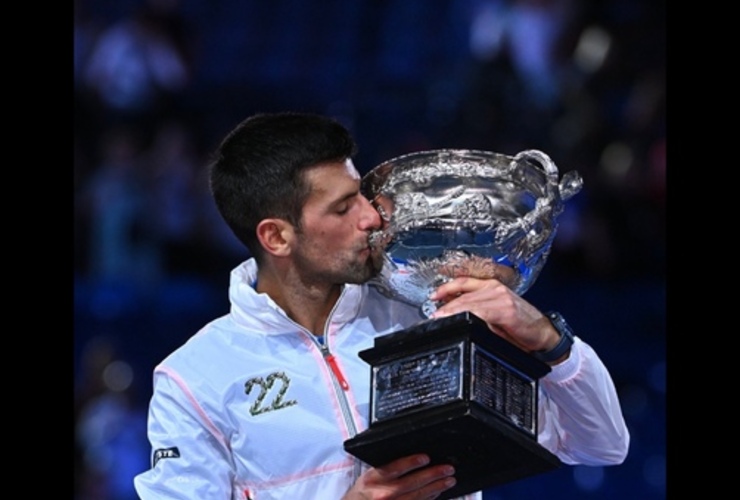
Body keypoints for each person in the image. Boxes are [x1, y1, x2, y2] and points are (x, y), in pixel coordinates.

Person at [133, 111, 629, 499]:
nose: (373, 217)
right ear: (277, 236)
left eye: (362, 196)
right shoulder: (195, 379)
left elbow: (602, 444)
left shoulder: (429, 313)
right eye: (344, 207)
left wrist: (545, 337)